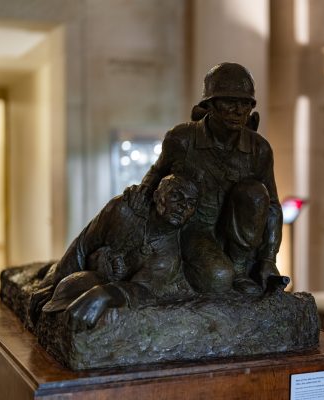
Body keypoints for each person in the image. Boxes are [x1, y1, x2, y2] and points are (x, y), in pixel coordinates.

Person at [135, 62, 284, 295]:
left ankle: (240, 271)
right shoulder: (183, 138)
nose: (238, 110)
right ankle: (200, 277)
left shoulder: (259, 150)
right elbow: (155, 177)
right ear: (210, 104)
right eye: (229, 102)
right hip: (196, 229)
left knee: (255, 192)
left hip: (240, 244)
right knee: (218, 278)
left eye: (245, 104)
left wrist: (268, 258)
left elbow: (272, 206)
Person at [29, 174, 199, 329]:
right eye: (176, 196)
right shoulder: (123, 210)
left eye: (190, 203)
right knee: (55, 282)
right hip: (84, 267)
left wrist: (104, 295)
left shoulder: (168, 255)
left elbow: (141, 290)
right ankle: (51, 271)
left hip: (101, 278)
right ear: (156, 196)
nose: (182, 207)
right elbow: (82, 246)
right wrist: (54, 285)